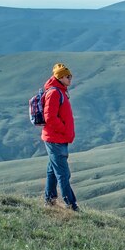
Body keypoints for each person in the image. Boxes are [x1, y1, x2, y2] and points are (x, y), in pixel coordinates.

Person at [42, 63, 78, 211]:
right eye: (67, 76)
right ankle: (71, 205)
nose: (70, 79)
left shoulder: (61, 91)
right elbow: (49, 117)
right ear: (60, 77)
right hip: (55, 139)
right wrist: (64, 130)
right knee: (63, 174)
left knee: (52, 171)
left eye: (71, 76)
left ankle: (49, 200)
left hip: (59, 138)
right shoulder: (55, 93)